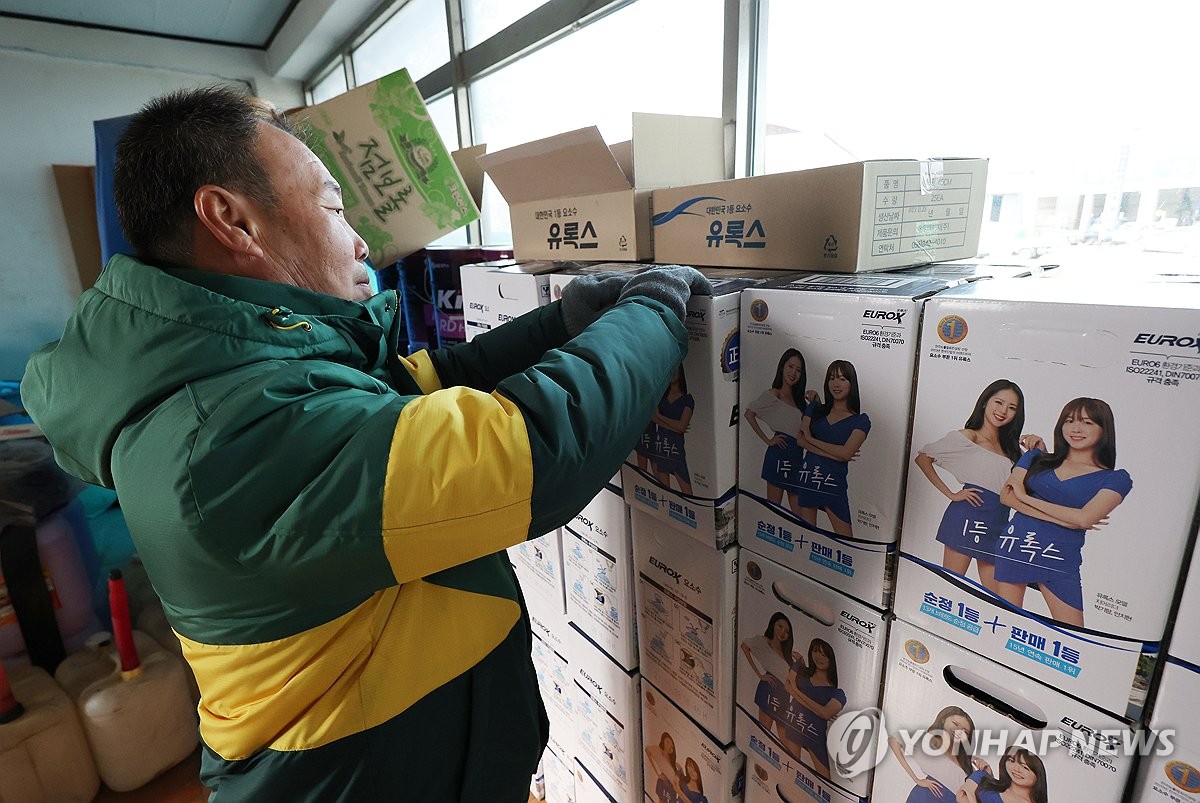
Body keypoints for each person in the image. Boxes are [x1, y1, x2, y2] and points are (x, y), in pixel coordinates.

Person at [19, 85, 711, 802]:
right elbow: (529, 453)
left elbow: (416, 391)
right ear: (233, 220)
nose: (358, 239)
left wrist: (557, 324)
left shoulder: (244, 366)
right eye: (331, 205)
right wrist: (657, 309)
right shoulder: (221, 438)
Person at [995, 397, 1132, 626]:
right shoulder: (1037, 457)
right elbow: (1007, 495)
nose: (1076, 428)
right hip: (1016, 546)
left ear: (1103, 429)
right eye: (1069, 421)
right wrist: (1069, 520)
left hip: (1058, 558)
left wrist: (1026, 499)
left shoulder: (1115, 479)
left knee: (1072, 635)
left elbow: (1085, 518)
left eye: (1087, 422)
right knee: (1004, 623)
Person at [914, 380, 1027, 592]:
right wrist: (951, 494)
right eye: (999, 402)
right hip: (966, 518)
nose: (1003, 411)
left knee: (997, 598)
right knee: (951, 586)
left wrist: (1039, 451)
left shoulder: (1013, 449)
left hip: (998, 521)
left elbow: (1030, 485)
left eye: (1012, 408)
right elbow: (923, 459)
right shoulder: (969, 437)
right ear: (985, 402)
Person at [796, 360, 870, 536]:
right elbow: (800, 440)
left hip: (833, 484)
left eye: (842, 379)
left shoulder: (861, 420)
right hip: (809, 479)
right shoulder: (818, 410)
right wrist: (836, 455)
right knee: (806, 538)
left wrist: (811, 440)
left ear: (852, 384)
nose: (836, 384)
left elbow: (846, 453)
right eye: (831, 378)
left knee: (846, 542)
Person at [744, 349, 815, 514]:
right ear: (782, 367)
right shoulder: (774, 394)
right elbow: (749, 413)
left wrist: (814, 402)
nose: (793, 373)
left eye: (798, 370)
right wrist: (767, 440)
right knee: (773, 509)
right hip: (779, 454)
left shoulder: (800, 401)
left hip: (797, 456)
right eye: (790, 366)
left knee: (800, 516)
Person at [887, 706, 986, 803]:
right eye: (955, 724)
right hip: (926, 797)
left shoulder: (967, 761)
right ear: (943, 720)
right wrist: (916, 779)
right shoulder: (927, 743)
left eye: (965, 731)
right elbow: (894, 740)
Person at [780, 638, 845, 779]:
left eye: (824, 654)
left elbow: (825, 713)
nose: (819, 657)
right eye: (815, 651)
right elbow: (788, 683)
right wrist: (800, 663)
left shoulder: (837, 693)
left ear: (831, 659)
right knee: (790, 772)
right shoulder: (803, 675)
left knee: (824, 782)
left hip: (814, 734)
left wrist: (794, 691)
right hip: (794, 723)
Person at [739, 611, 795, 738]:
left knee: (784, 736)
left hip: (784, 694)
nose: (782, 632)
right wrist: (759, 675)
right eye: (780, 626)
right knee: (765, 732)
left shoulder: (787, 654)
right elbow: (744, 646)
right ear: (773, 625)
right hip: (770, 688)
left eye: (787, 631)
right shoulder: (763, 641)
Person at [650, 364, 695, 494]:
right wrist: (676, 427)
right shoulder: (661, 395)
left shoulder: (687, 399)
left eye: (676, 368)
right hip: (661, 446)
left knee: (688, 495)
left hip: (676, 449)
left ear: (681, 371)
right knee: (665, 493)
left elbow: (682, 426)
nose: (673, 372)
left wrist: (660, 417)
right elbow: (654, 418)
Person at [956, 747, 1048, 803]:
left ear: (1038, 776)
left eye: (1025, 767)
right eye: (1012, 761)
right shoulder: (983, 778)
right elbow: (962, 795)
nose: (1016, 769)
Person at [645, 732, 682, 803]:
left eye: (671, 744)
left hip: (672, 788)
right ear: (663, 741)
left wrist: (680, 770)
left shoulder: (673, 762)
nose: (669, 745)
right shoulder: (658, 751)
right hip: (663, 783)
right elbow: (647, 750)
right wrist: (658, 773)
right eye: (667, 742)